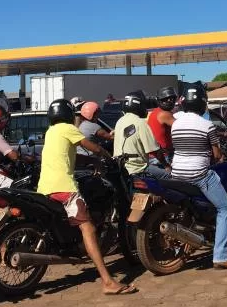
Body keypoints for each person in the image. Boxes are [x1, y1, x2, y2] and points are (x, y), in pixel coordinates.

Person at [37, 99, 137, 295]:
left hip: (45, 187)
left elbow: (71, 156)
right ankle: (107, 281)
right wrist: (108, 157)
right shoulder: (68, 128)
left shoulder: (51, 131)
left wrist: (93, 161)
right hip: (64, 187)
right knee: (88, 228)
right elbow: (95, 147)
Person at [170, 84, 227, 269]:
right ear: (203, 102)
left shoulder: (176, 123)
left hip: (176, 172)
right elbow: (217, 155)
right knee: (226, 208)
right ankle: (221, 256)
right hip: (198, 175)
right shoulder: (207, 125)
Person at [112, 91, 168, 178]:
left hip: (122, 168)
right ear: (139, 106)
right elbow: (155, 151)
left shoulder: (120, 121)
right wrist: (166, 165)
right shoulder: (140, 122)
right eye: (144, 105)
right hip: (139, 169)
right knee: (168, 175)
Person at [147, 86, 177, 159]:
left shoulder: (155, 111)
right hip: (163, 157)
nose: (169, 101)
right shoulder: (164, 114)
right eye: (165, 99)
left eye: (172, 98)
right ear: (159, 100)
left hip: (155, 155)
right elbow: (184, 128)